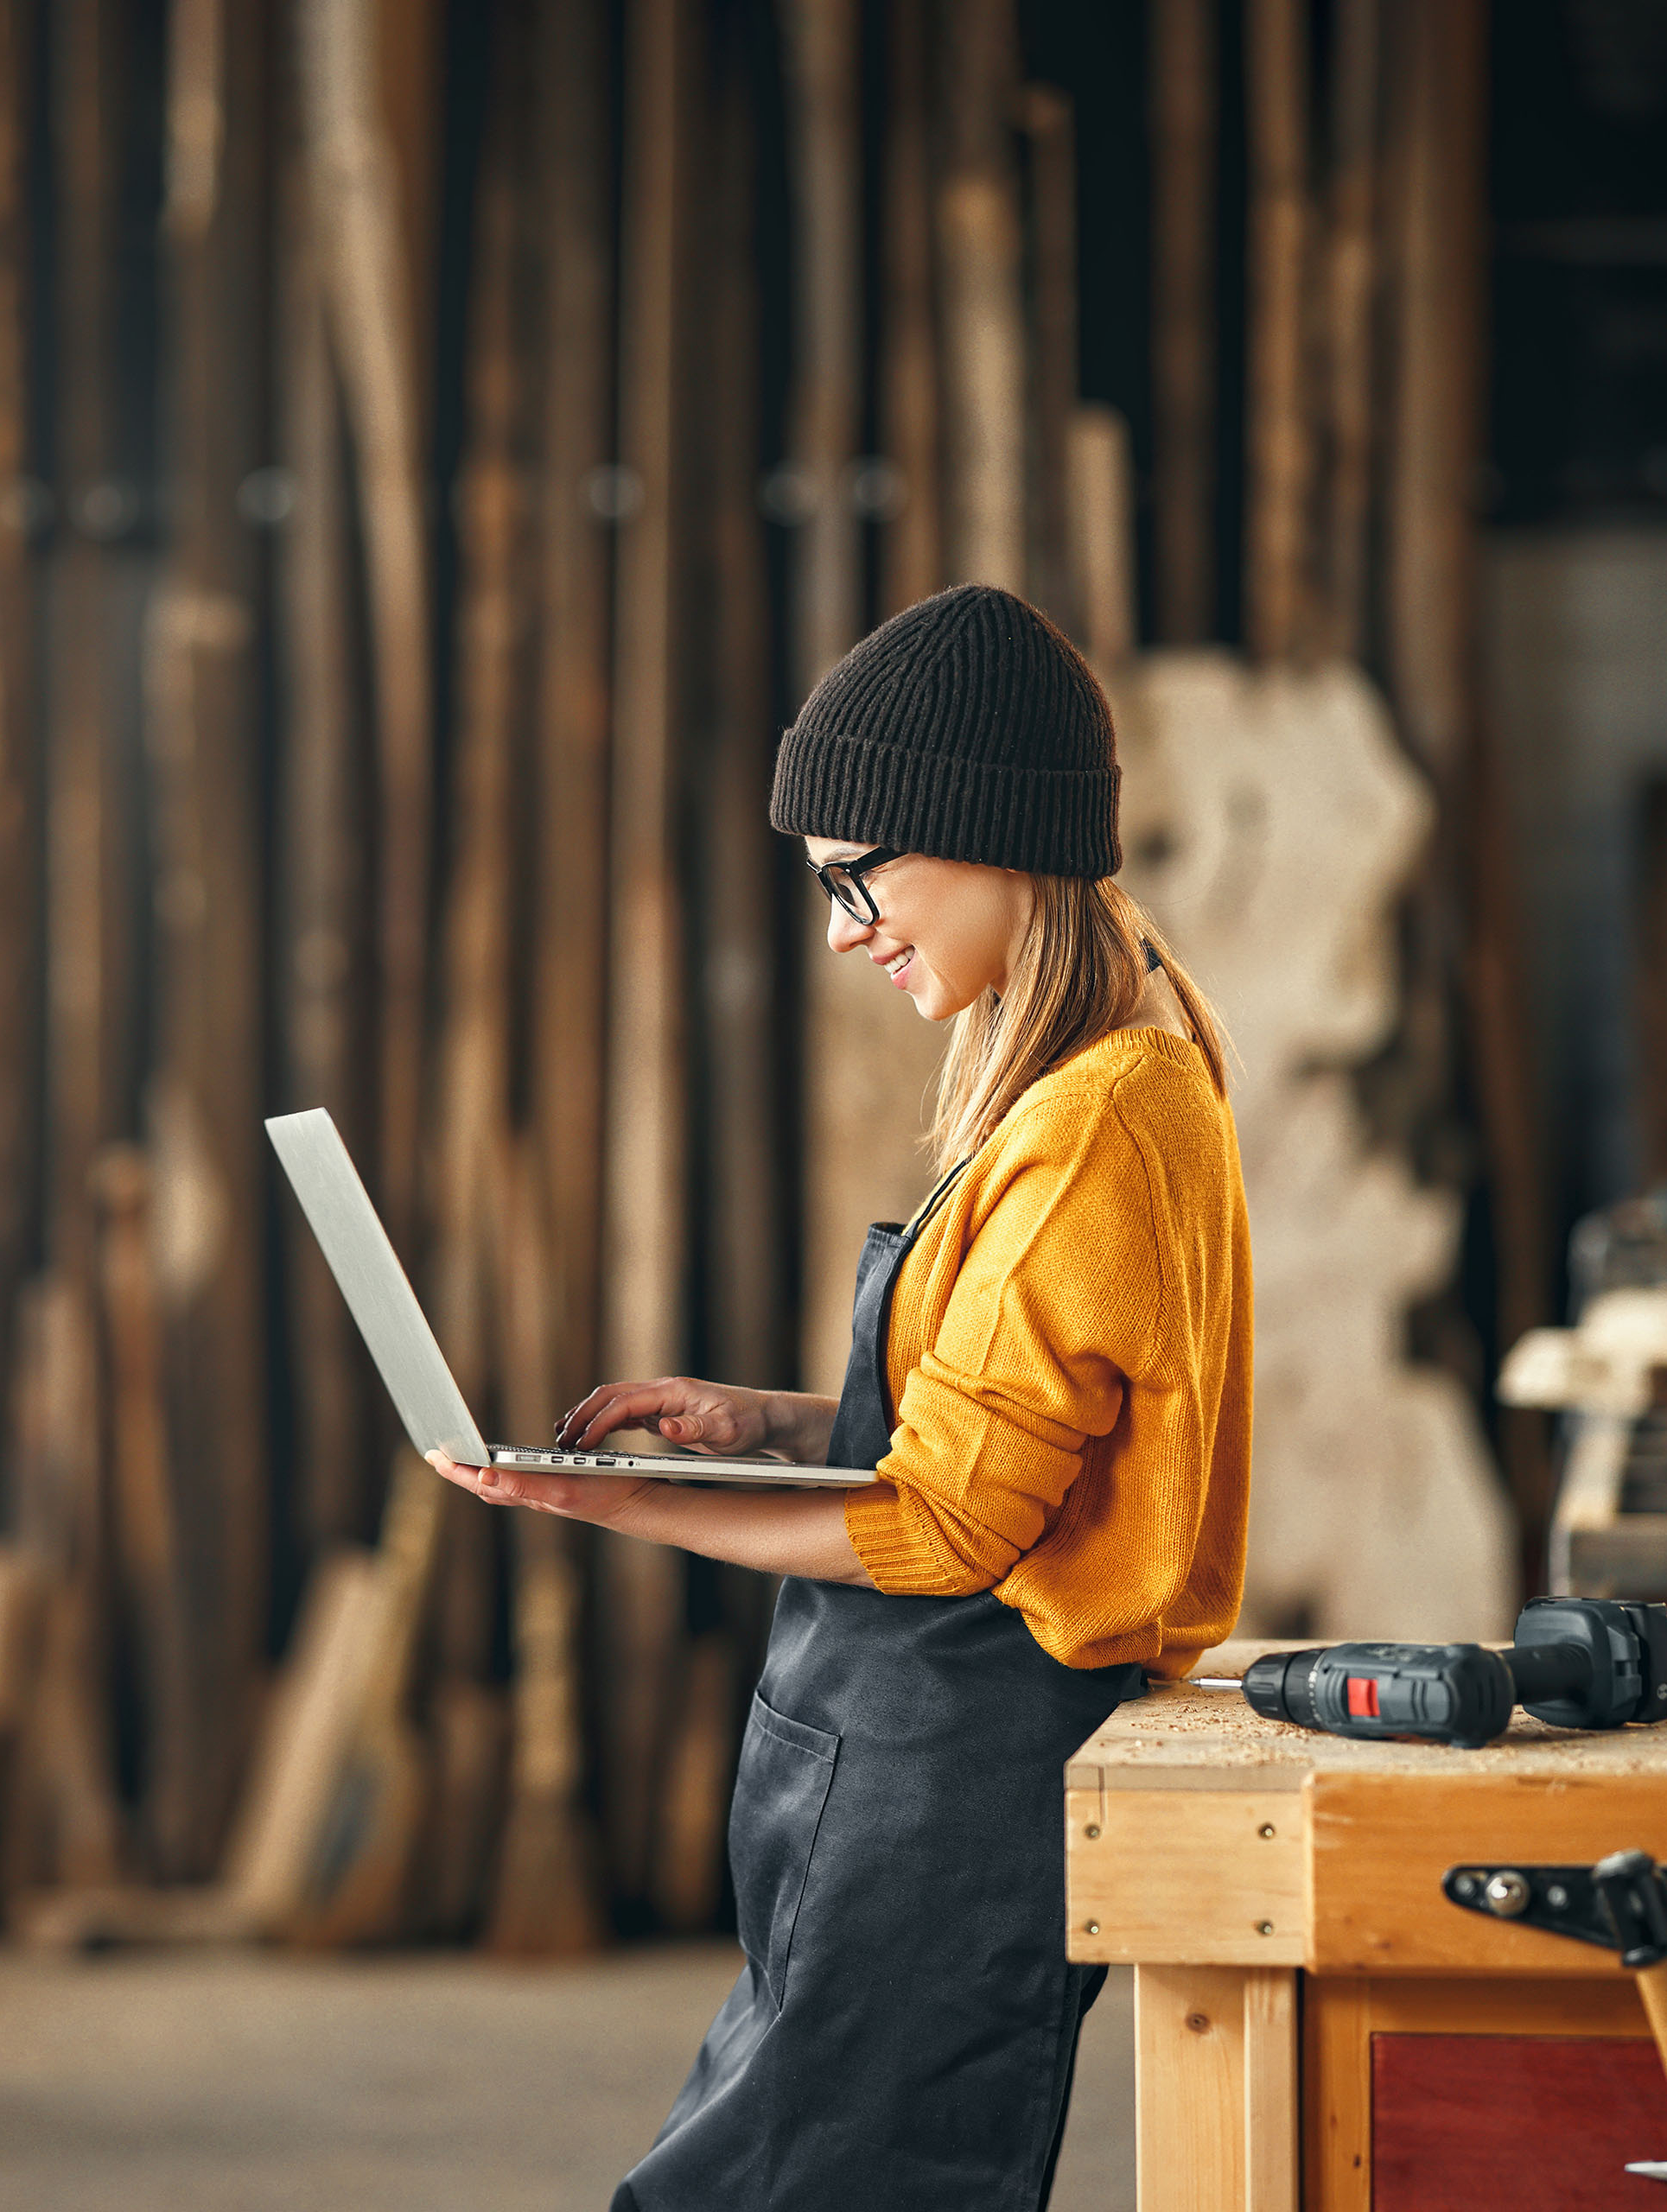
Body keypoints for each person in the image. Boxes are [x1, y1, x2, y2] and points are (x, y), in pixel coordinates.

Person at [427, 582, 1254, 2211]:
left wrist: (613, 1504)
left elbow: (950, 1530)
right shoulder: (1105, 1058)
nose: (843, 928)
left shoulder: (1097, 1111)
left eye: (857, 879)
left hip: (952, 1780)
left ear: (984, 832)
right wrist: (779, 1422)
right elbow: (1019, 1416)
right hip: (897, 1768)